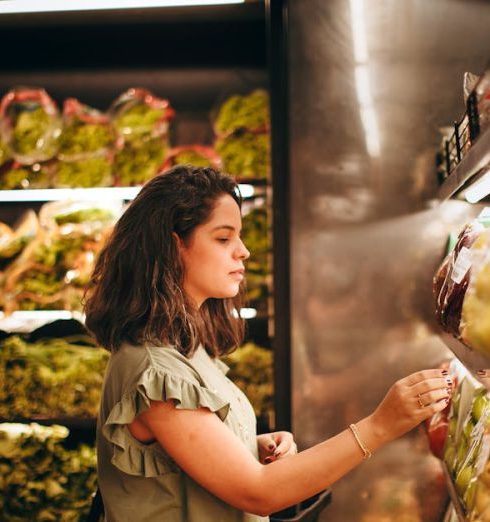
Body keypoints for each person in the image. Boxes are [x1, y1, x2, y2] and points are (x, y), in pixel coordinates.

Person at [84, 165, 453, 522]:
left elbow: (182, 460)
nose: (242, 251)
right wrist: (382, 425)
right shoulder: (156, 371)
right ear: (173, 246)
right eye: (223, 238)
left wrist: (245, 446)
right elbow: (258, 493)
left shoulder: (183, 347)